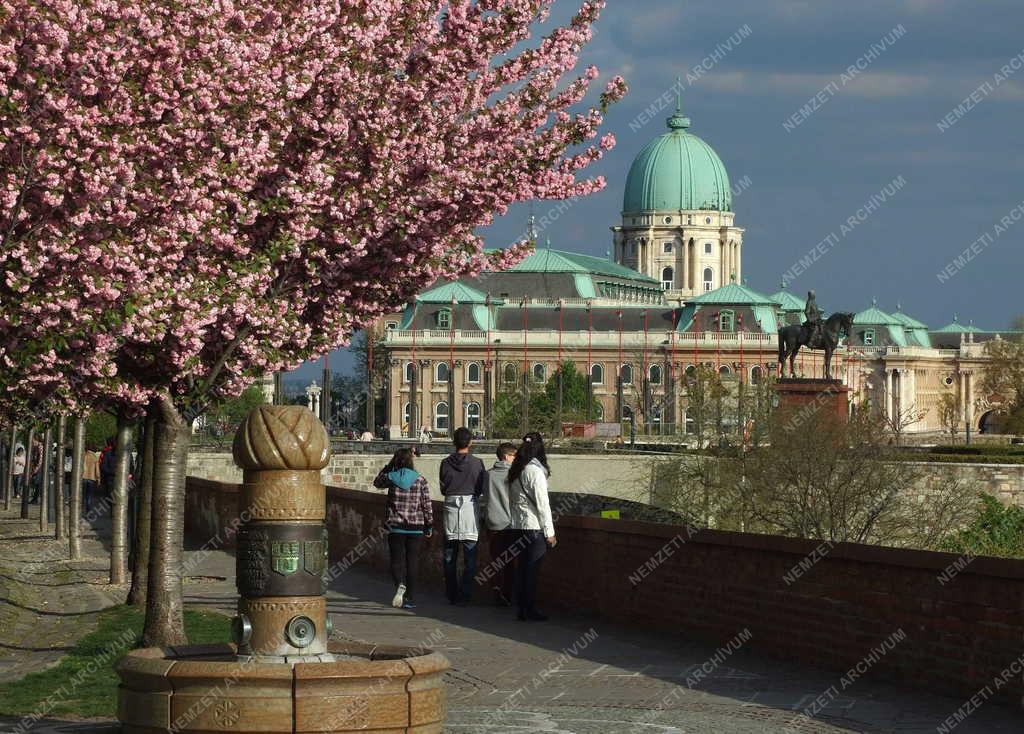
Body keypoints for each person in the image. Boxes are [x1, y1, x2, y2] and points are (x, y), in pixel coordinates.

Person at [373, 448, 433, 610]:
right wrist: (429, 525)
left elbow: (377, 483)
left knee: (396, 561)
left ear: (397, 462)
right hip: (415, 527)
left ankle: (400, 583)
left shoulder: (391, 478)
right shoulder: (420, 480)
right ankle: (410, 599)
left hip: (395, 526)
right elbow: (426, 505)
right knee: (412, 562)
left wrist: (388, 467)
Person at [508, 431, 556, 622]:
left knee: (521, 569)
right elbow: (543, 504)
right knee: (532, 570)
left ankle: (521, 608)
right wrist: (550, 532)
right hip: (534, 527)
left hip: (517, 526)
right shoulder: (535, 472)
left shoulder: (516, 470)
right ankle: (529, 608)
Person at [439, 426, 486, 605]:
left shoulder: (445, 462)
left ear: (453, 442)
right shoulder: (477, 463)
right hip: (469, 508)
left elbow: (443, 487)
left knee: (450, 554)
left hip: (450, 506)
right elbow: (481, 487)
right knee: (470, 555)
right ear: (471, 442)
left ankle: (452, 593)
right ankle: (466, 594)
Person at [482, 442, 518, 607]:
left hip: (492, 523)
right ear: (506, 456)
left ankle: (495, 588)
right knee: (510, 561)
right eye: (514, 455)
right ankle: (507, 594)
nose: (515, 459)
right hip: (510, 523)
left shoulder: (488, 475)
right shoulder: (514, 475)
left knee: (495, 560)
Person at [82, 446, 100, 513]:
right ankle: (88, 510)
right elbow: (97, 469)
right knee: (89, 495)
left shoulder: (83, 455)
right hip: (92, 478)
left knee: (82, 495)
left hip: (83, 477)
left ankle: (81, 508)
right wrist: (98, 478)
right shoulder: (94, 456)